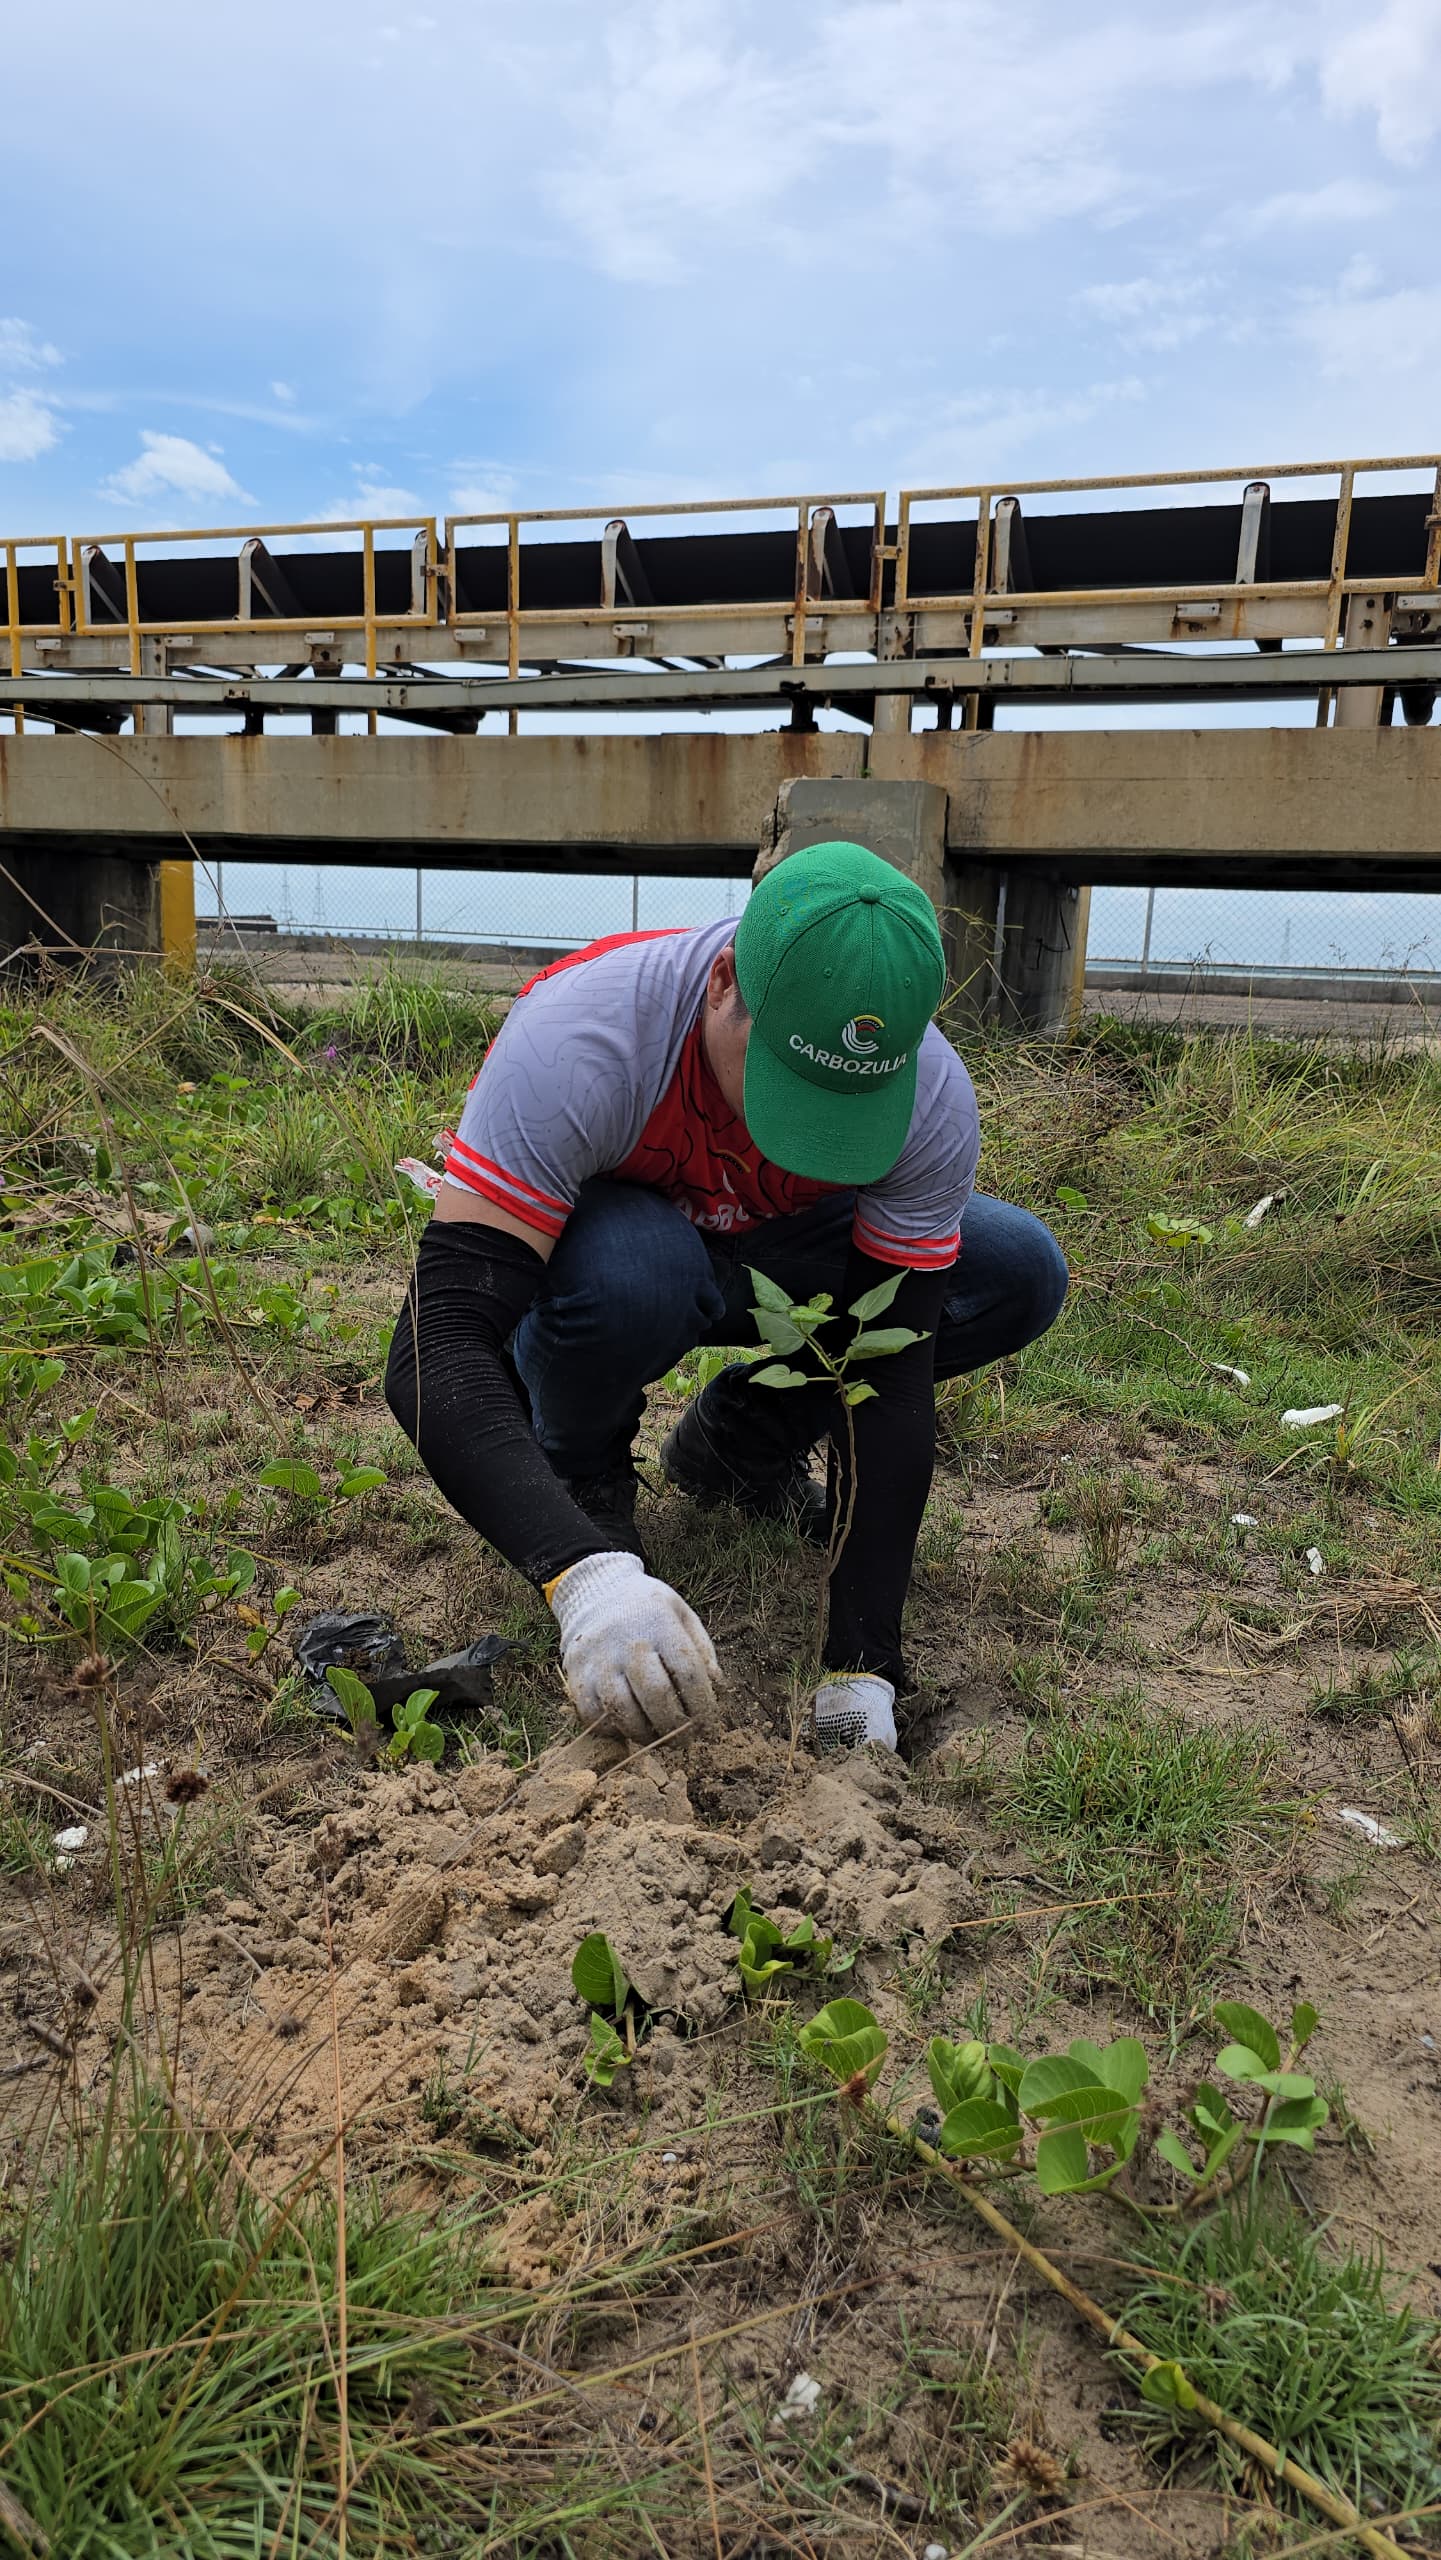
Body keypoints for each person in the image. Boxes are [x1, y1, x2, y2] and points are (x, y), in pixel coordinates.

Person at [385, 840, 1067, 1753]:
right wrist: (584, 1576)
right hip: (627, 1245)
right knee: (639, 1277)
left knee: (1013, 1269)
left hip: (781, 1249)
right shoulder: (581, 1037)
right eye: (787, 1088)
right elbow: (438, 1340)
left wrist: (862, 1664)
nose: (800, 1145)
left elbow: (888, 1370)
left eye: (842, 1111)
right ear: (720, 984)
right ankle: (582, 1473)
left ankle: (739, 1448)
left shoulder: (929, 1097)